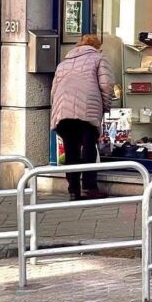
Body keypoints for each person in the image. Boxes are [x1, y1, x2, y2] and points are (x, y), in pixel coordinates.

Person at [50, 34, 115, 200]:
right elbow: (106, 85)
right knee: (88, 148)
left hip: (63, 110)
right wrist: (105, 106)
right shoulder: (98, 58)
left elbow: (54, 90)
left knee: (70, 150)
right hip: (88, 108)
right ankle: (89, 187)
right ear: (97, 47)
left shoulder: (64, 63)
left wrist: (57, 111)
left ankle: (73, 190)